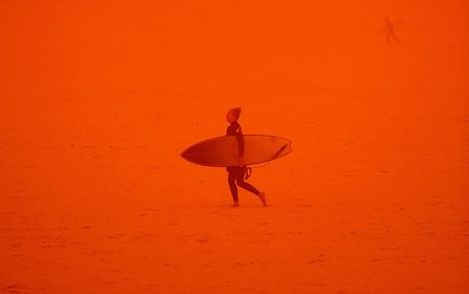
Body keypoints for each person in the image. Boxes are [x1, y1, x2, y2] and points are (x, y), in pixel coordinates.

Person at [225, 107, 267, 207]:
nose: (226, 115)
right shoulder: (230, 127)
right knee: (237, 182)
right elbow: (229, 144)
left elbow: (241, 141)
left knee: (236, 181)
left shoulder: (236, 127)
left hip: (237, 159)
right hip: (233, 158)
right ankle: (258, 195)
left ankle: (257, 195)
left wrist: (240, 157)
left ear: (234, 117)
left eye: (229, 114)